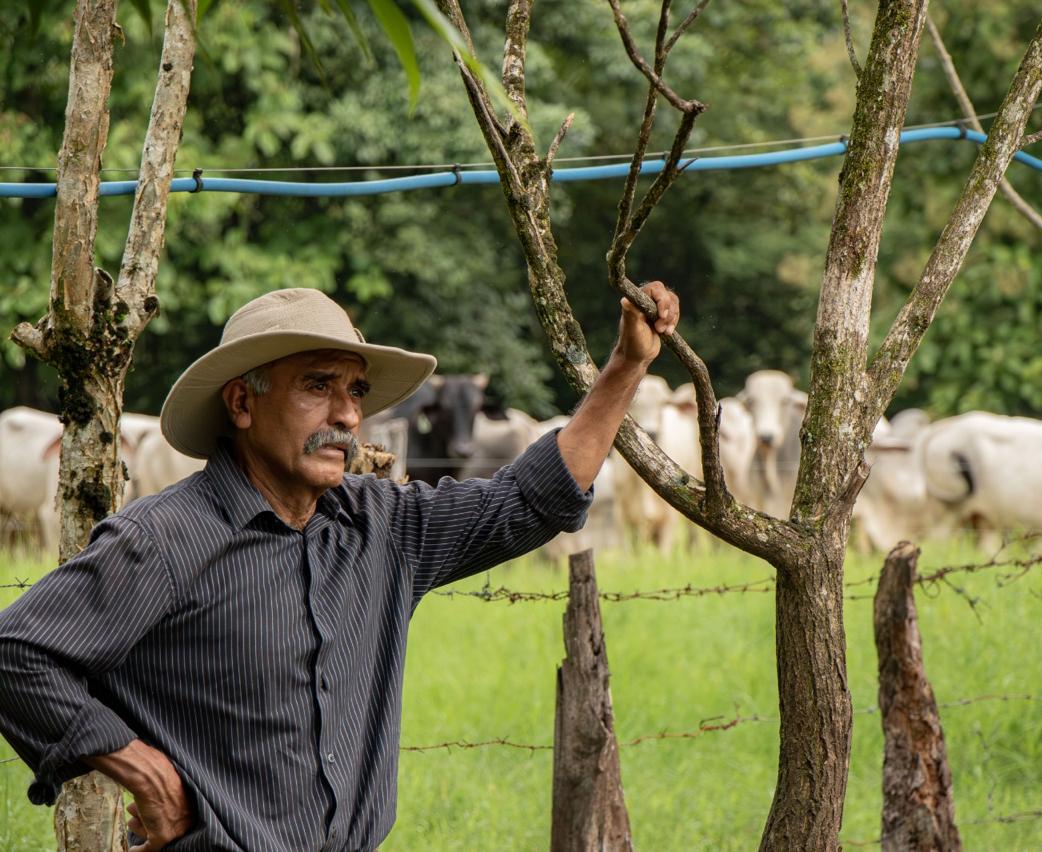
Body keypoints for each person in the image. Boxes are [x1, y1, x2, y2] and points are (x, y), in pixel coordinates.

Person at [0, 283, 680, 851]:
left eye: (355, 390)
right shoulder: (166, 538)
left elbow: (528, 500)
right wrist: (142, 768)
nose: (349, 414)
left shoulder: (383, 526)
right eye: (318, 385)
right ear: (242, 403)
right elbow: (16, 653)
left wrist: (625, 366)